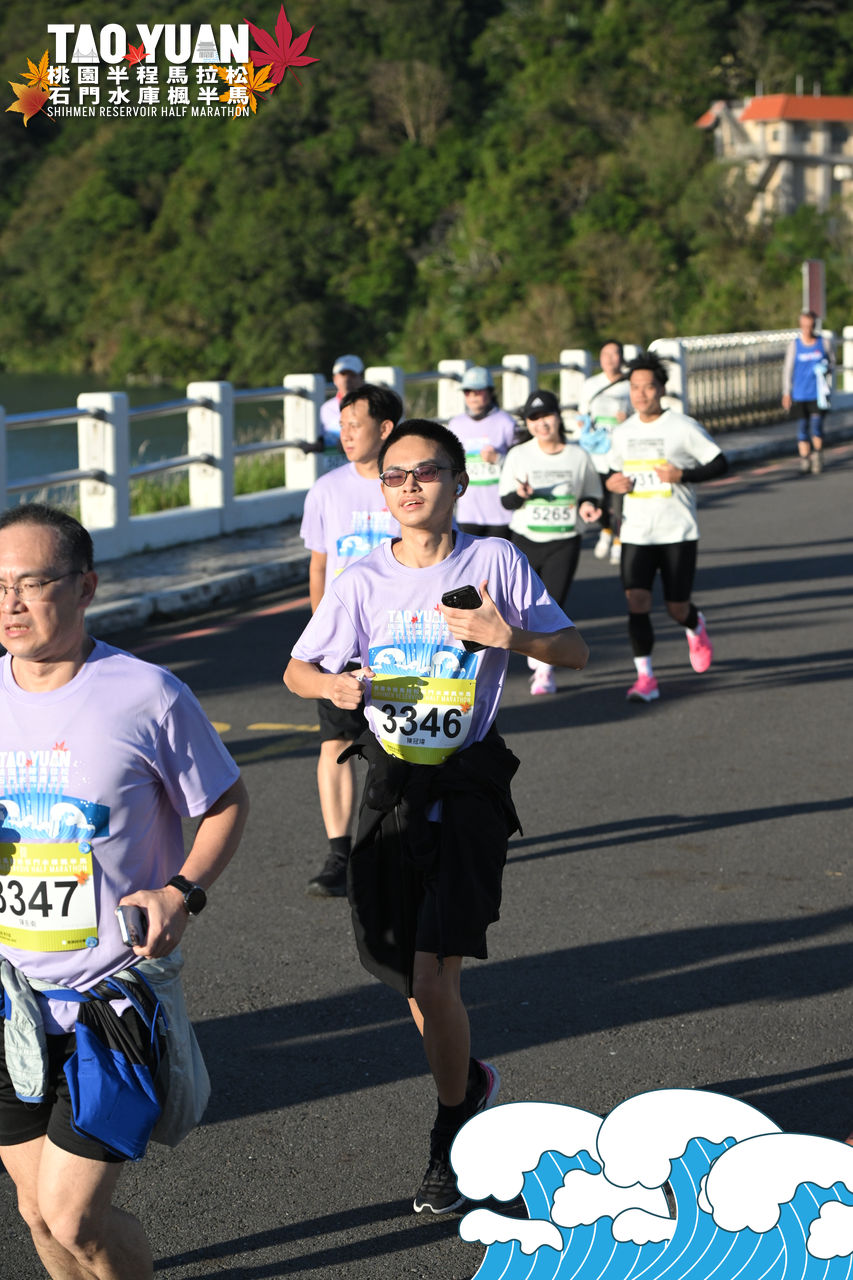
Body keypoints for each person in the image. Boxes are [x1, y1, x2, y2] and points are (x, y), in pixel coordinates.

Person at [284, 420, 588, 1216]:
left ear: (458, 482)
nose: (410, 486)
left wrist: (506, 634)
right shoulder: (360, 580)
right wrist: (332, 687)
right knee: (407, 978)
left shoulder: (492, 561)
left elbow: (575, 651)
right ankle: (470, 1082)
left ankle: (450, 1133)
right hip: (389, 789)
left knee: (431, 975)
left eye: (426, 472)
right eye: (395, 476)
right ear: (381, 491)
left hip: (466, 787)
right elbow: (297, 670)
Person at [0, 502, 249, 1279]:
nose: (11, 603)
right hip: (11, 999)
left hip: (113, 1000)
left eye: (32, 583)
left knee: (75, 1216)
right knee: (36, 1211)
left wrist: (180, 891)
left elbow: (225, 802)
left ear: (85, 587)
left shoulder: (145, 694)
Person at [299, 384, 403, 896]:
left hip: (403, 641)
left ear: (384, 429)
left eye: (354, 425)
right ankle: (339, 855)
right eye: (340, 426)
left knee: (400, 747)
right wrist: (320, 637)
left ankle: (402, 843)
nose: (344, 435)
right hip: (342, 645)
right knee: (336, 743)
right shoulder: (326, 490)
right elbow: (319, 566)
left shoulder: (407, 484)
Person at [606, 353, 728, 704]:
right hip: (636, 532)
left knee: (676, 607)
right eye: (635, 388)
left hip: (677, 532)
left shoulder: (682, 427)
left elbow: (720, 463)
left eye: (648, 387)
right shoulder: (623, 432)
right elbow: (612, 473)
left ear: (661, 389)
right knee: (637, 602)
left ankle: (694, 624)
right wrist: (613, 484)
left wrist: (682, 474)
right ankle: (645, 678)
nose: (641, 394)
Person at [499, 389, 603, 694]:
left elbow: (591, 494)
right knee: (521, 609)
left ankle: (544, 671)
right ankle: (537, 657)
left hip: (564, 541)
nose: (541, 423)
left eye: (546, 415)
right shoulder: (519, 455)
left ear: (558, 417)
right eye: (534, 418)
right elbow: (506, 501)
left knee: (551, 607)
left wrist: (588, 506)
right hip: (526, 540)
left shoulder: (579, 456)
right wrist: (520, 494)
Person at [578, 340, 632, 564]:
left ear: (622, 357)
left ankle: (619, 541)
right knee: (597, 495)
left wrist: (628, 419)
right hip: (597, 451)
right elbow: (582, 415)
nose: (609, 359)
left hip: (621, 451)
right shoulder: (591, 384)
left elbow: (641, 415)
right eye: (605, 354)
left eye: (614, 354)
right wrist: (583, 427)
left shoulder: (630, 384)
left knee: (619, 499)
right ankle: (606, 529)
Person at [447, 366, 517, 538]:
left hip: (501, 513)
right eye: (467, 392)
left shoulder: (506, 422)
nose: (472, 396)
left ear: (490, 392)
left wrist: (498, 459)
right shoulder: (456, 424)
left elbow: (519, 462)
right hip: (467, 512)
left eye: (478, 391)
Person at [782, 311, 833, 475]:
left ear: (814, 326)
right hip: (799, 394)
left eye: (810, 326)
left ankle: (817, 455)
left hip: (818, 395)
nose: (807, 329)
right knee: (802, 427)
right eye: (804, 326)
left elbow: (832, 363)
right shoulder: (795, 345)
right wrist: (786, 393)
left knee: (817, 426)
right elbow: (788, 370)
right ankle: (805, 459)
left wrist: (825, 368)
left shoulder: (823, 343)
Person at [319, 354, 365, 465]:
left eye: (352, 375)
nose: (347, 379)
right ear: (335, 378)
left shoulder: (371, 406)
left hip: (362, 467)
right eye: (343, 374)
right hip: (333, 468)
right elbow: (324, 440)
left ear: (361, 378)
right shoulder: (326, 408)